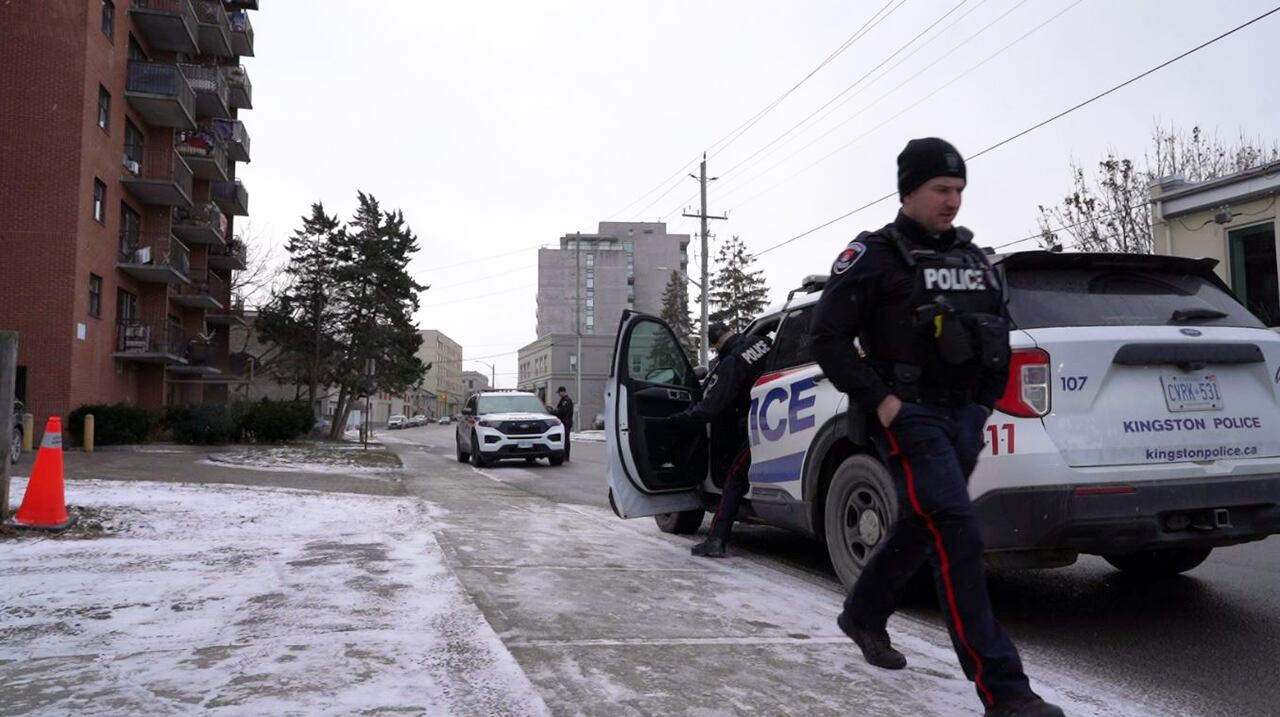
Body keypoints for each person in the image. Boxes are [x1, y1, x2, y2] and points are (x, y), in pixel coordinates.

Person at [811, 137, 1063, 717]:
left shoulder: (972, 259)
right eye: (941, 190)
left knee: (922, 527)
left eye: (959, 191)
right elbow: (827, 336)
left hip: (964, 417)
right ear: (909, 191)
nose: (953, 201)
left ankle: (863, 613)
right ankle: (1007, 692)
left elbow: (994, 332)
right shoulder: (872, 255)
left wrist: (981, 408)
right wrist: (882, 403)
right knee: (959, 535)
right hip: (908, 414)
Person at [670, 322, 771, 558]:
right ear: (732, 331)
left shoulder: (732, 362)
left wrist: (682, 418)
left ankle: (716, 539)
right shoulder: (762, 341)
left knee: (734, 477)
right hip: (781, 418)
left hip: (759, 422)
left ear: (716, 345)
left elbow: (710, 408)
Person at [554, 386, 574, 461]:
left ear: (562, 392)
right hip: (563, 422)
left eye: (559, 393)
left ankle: (566, 455)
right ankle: (564, 455)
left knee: (565, 439)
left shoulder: (566, 400)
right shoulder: (563, 400)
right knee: (563, 439)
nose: (559, 394)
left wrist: (554, 412)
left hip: (566, 422)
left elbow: (562, 411)